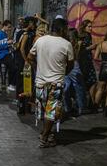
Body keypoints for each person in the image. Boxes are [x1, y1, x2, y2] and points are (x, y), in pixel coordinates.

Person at [28, 18, 74, 148]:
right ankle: (45, 136)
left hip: (40, 83)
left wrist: (38, 69)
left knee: (44, 111)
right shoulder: (66, 44)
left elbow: (30, 57)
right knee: (51, 112)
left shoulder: (40, 41)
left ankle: (45, 132)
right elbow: (70, 64)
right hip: (56, 84)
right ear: (62, 29)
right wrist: (62, 72)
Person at [63, 28, 88, 117]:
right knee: (79, 87)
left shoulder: (66, 43)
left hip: (65, 64)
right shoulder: (77, 44)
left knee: (66, 86)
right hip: (74, 65)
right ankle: (81, 107)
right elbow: (78, 56)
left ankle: (68, 107)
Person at [78, 20, 98, 110]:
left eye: (91, 26)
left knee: (90, 82)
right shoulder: (85, 36)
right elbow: (81, 50)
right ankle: (91, 103)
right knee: (92, 82)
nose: (91, 28)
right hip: (85, 62)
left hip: (86, 62)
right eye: (89, 26)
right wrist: (92, 47)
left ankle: (91, 102)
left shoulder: (85, 35)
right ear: (84, 27)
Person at [15, 16, 37, 102]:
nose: (35, 25)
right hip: (23, 61)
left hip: (20, 60)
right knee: (26, 80)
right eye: (34, 23)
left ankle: (20, 100)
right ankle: (23, 102)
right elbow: (22, 49)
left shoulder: (20, 32)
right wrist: (26, 60)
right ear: (30, 23)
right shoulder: (25, 34)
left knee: (21, 80)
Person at [0, 20, 16, 91]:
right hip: (2, 55)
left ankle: (8, 83)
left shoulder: (5, 34)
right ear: (4, 26)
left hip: (7, 53)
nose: (10, 29)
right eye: (9, 27)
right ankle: (11, 84)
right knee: (13, 67)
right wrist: (7, 43)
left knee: (11, 68)